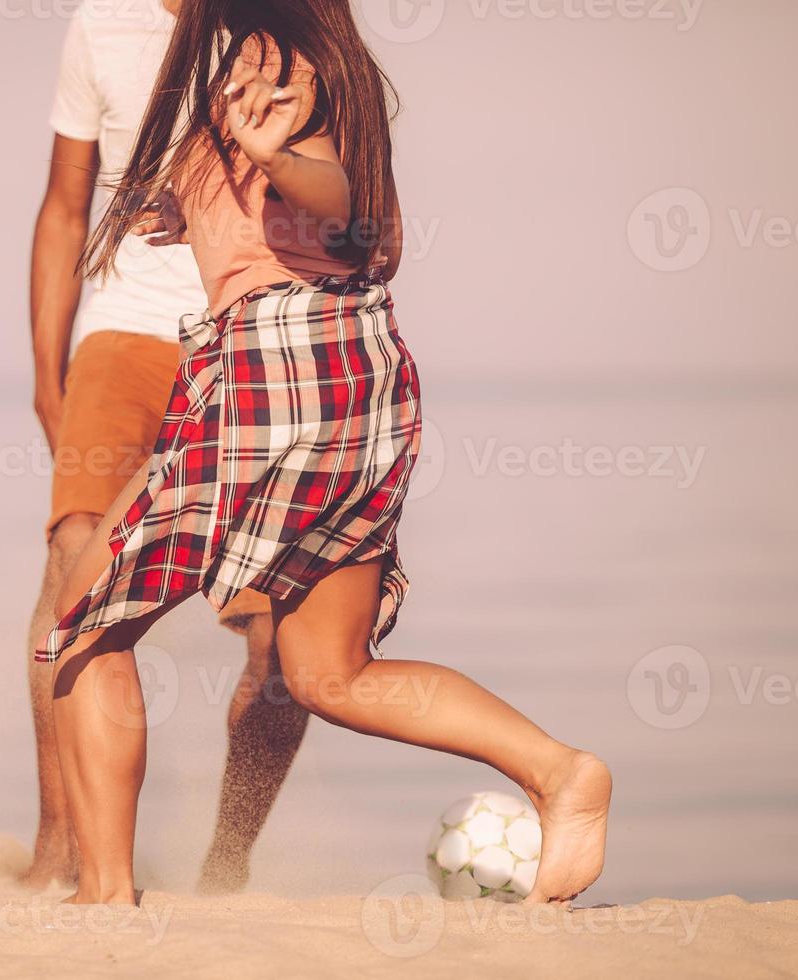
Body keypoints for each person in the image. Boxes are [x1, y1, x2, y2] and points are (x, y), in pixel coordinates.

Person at [37, 0, 613, 906]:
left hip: (275, 372)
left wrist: (272, 161)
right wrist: (196, 202)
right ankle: (558, 770)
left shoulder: (268, 55)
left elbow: (335, 196)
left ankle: (102, 897)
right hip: (355, 370)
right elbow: (356, 231)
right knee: (327, 673)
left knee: (82, 619)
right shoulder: (323, 59)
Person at [25, 0, 308, 892]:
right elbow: (65, 205)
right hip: (123, 331)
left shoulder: (278, 28)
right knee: (75, 563)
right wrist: (47, 365)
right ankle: (63, 850)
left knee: (275, 633)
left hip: (249, 335)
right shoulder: (99, 25)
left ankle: (228, 859)